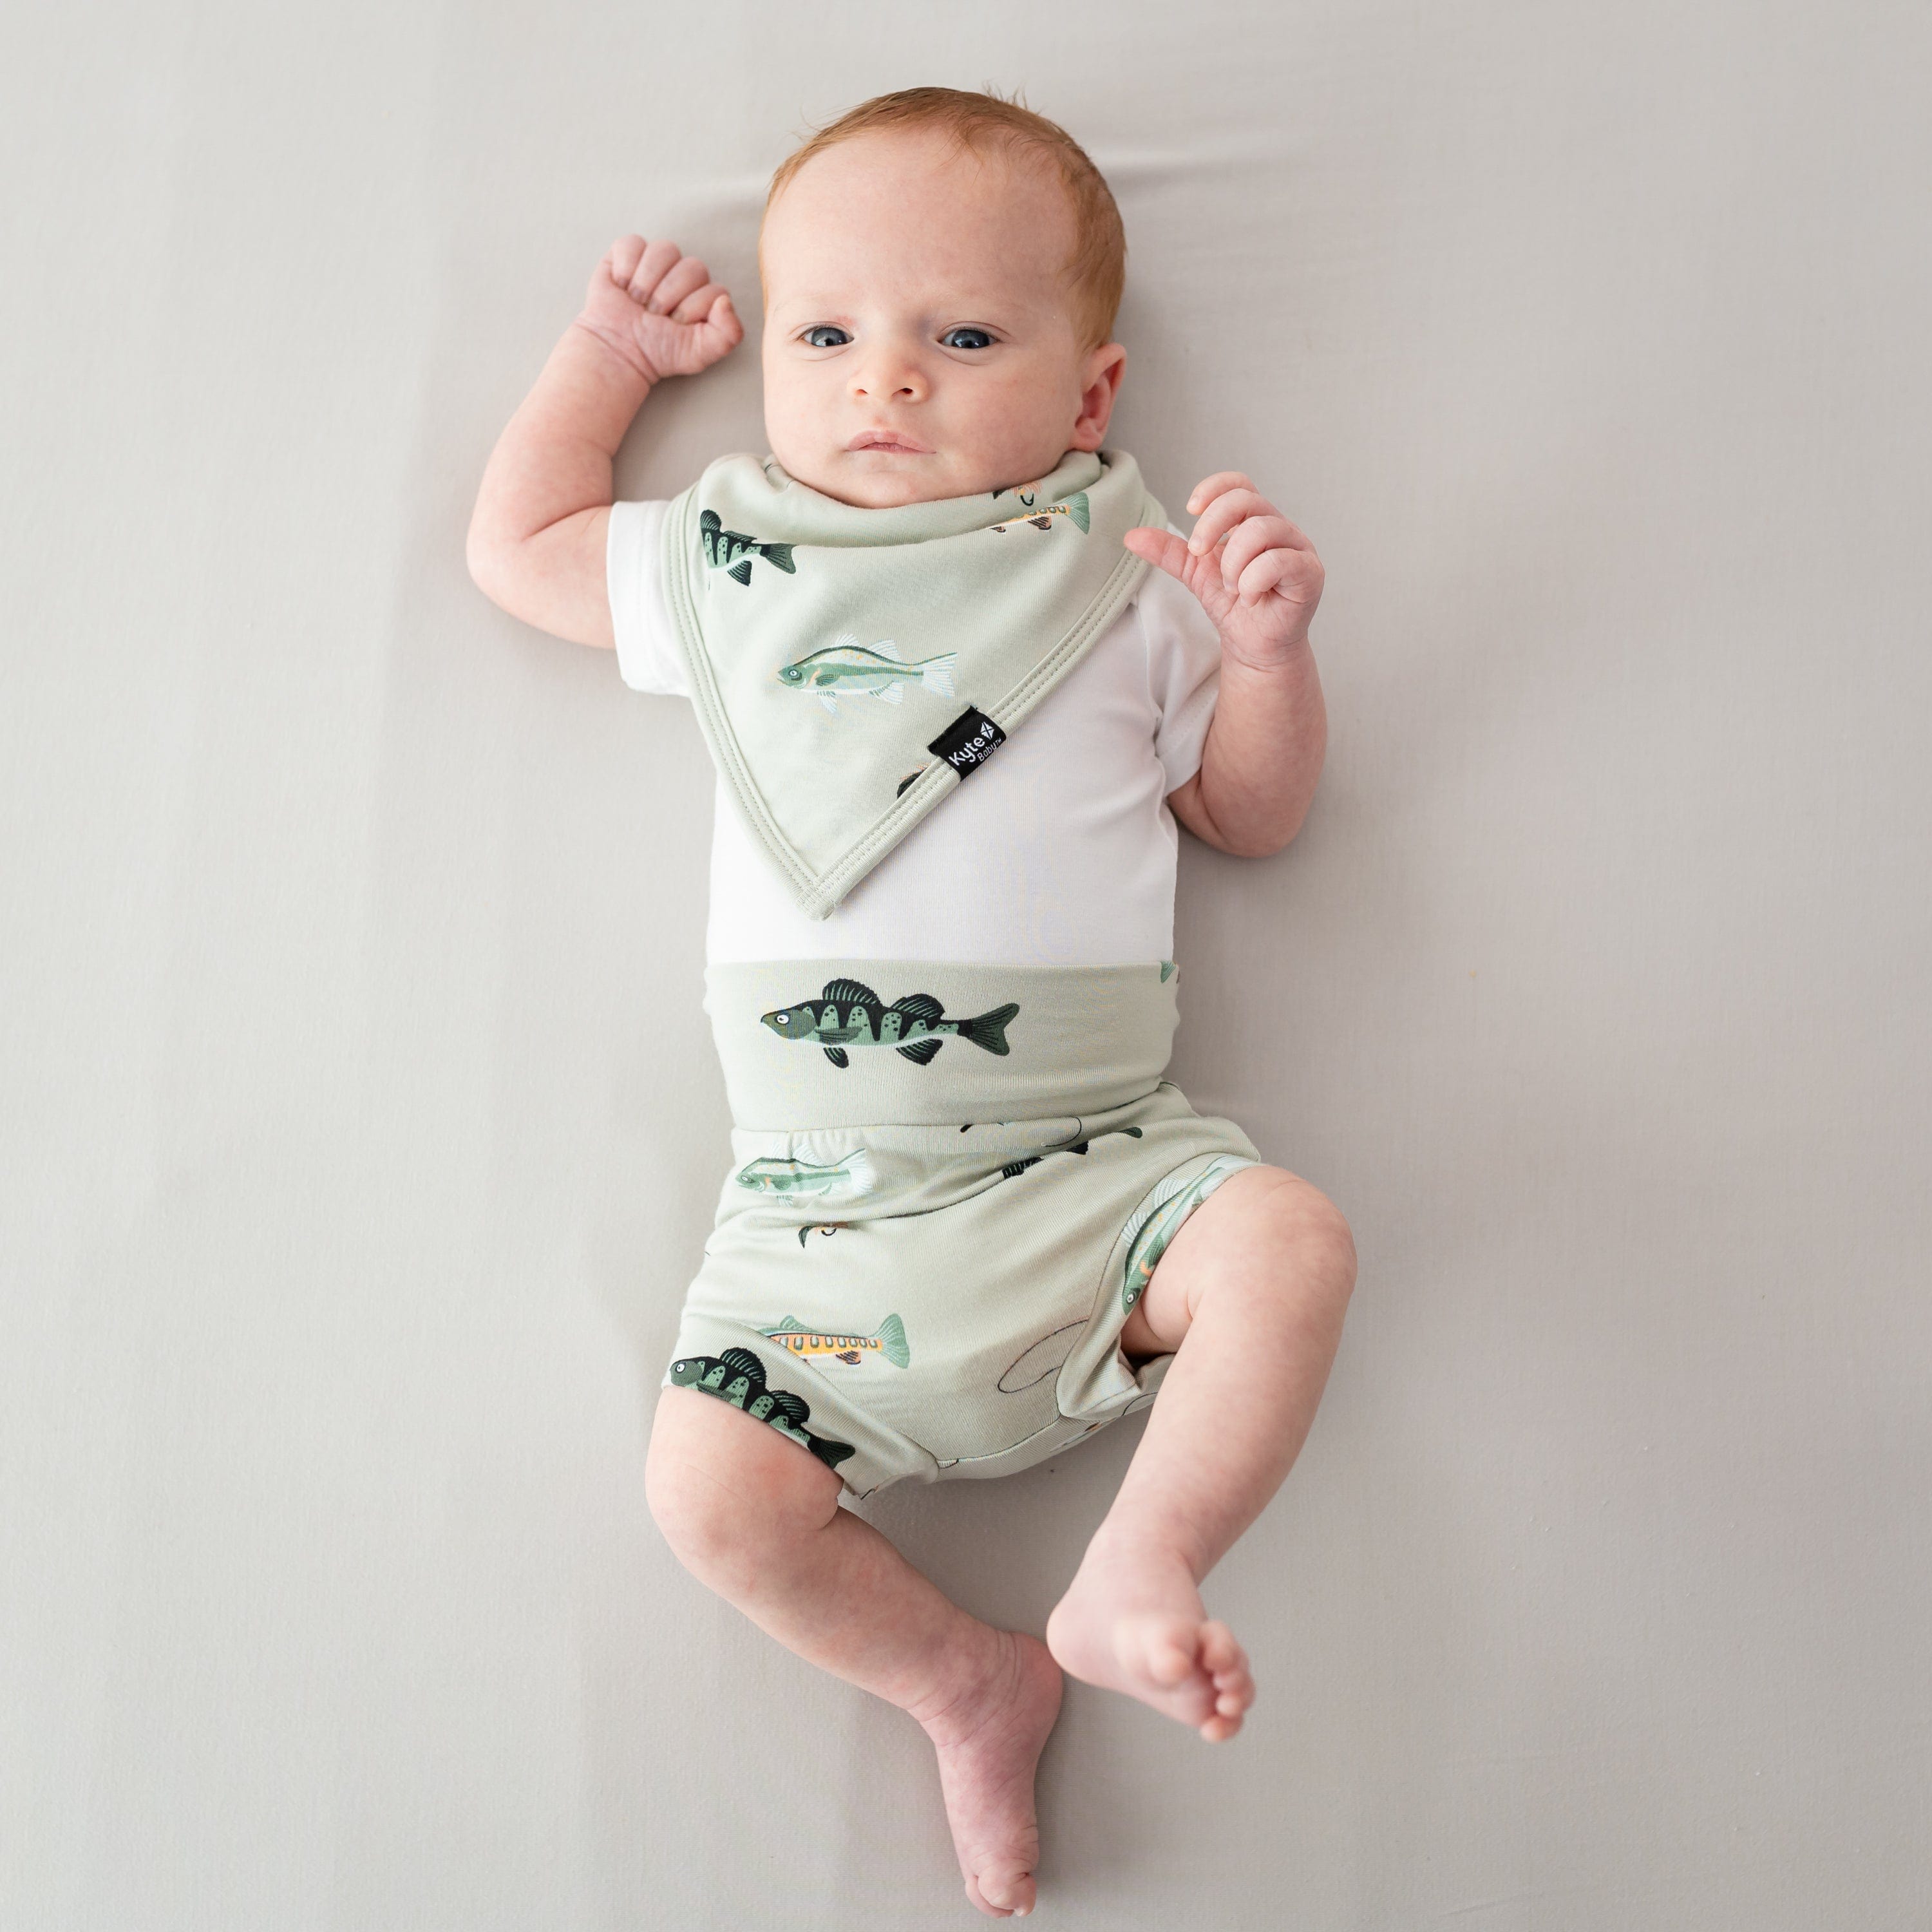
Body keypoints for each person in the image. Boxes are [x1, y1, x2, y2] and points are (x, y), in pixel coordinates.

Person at [467, 86, 1357, 1922]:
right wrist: (608, 360)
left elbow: (1250, 817)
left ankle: (1138, 1568)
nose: (886, 383)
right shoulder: (743, 574)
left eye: (961, 337)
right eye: (828, 335)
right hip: (815, 1217)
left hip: (1092, 1170)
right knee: (708, 1497)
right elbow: (523, 544)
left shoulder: (1136, 589)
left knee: (1291, 1243)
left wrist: (1268, 659)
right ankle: (965, 1677)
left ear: (1091, 398)